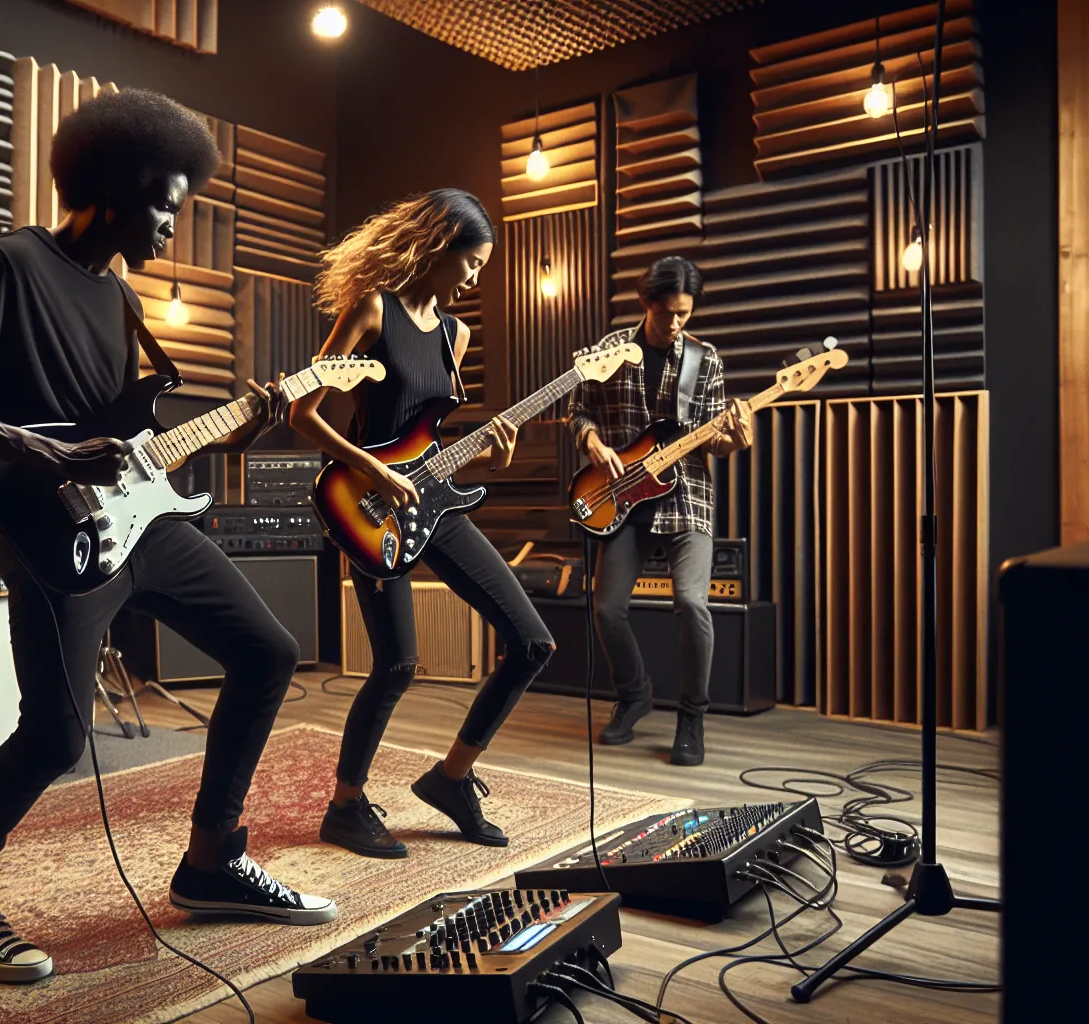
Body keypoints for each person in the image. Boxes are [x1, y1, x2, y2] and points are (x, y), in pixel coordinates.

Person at [0, 88, 336, 985]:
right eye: (166, 201)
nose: (175, 221)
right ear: (111, 189)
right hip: (53, 535)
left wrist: (245, 423)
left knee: (267, 651)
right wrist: (40, 452)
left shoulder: (121, 299)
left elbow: (125, 437)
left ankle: (212, 862)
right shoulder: (6, 265)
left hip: (141, 523)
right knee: (54, 736)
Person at [289, 189, 554, 860]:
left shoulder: (456, 334)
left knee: (531, 643)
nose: (475, 278)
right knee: (397, 665)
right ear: (439, 246)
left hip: (432, 497)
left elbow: (429, 433)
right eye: (471, 262)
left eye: (482, 268)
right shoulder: (372, 309)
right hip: (369, 504)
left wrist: (493, 447)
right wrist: (372, 470)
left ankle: (451, 780)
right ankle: (346, 807)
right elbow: (303, 412)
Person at [567, 256, 753, 767]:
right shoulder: (611, 351)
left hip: (685, 494)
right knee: (606, 609)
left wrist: (734, 438)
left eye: (685, 315)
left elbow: (714, 442)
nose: (676, 324)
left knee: (693, 604)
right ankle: (634, 695)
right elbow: (578, 409)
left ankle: (692, 717)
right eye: (668, 312)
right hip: (621, 494)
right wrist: (592, 443)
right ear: (646, 303)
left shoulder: (705, 359)